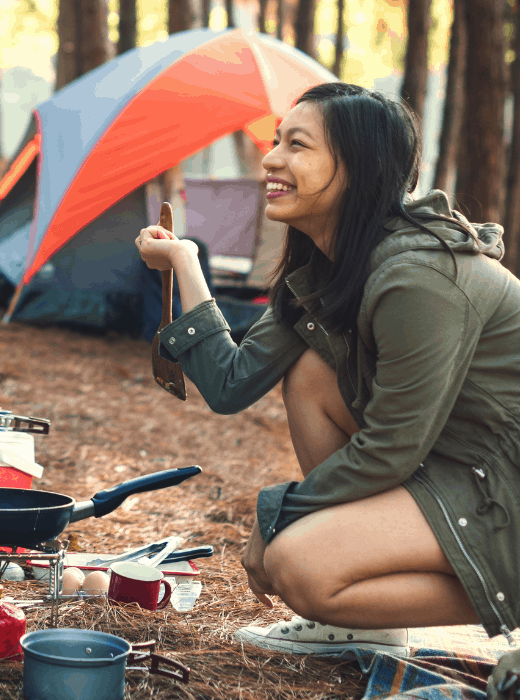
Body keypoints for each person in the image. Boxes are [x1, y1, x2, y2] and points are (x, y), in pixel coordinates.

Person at [136, 82, 520, 655]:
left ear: (360, 169)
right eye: (276, 141)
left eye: (298, 145)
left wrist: (277, 518)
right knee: (311, 373)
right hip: (451, 460)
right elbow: (229, 383)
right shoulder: (329, 265)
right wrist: (186, 262)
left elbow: (390, 449)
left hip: (500, 481)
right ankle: (370, 619)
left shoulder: (419, 278)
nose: (271, 158)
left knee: (298, 564)